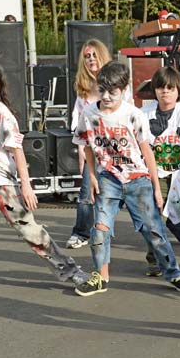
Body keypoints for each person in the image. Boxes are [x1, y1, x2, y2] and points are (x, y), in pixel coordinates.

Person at [0, 59, 88, 293]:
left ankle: (70, 270)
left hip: (1, 180)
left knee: (28, 229)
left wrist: (26, 185)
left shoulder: (3, 115)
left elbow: (17, 151)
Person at [72, 61, 180, 296]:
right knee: (100, 229)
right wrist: (92, 176)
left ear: (124, 90)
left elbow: (147, 151)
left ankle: (172, 271)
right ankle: (100, 277)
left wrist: (156, 187)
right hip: (108, 178)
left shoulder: (133, 115)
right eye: (102, 90)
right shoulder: (89, 113)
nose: (106, 97)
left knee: (154, 229)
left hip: (138, 179)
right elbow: (86, 145)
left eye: (112, 92)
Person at [142, 66, 180, 277]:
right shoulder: (143, 114)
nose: (165, 92)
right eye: (160, 87)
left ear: (178, 90)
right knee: (153, 218)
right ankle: (156, 260)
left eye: (170, 87)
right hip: (154, 174)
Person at [66, 39, 112, 249]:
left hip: (115, 147)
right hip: (92, 149)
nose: (91, 59)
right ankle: (81, 233)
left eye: (94, 55)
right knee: (86, 193)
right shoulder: (83, 89)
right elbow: (80, 124)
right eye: (87, 56)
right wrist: (81, 152)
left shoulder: (116, 82)